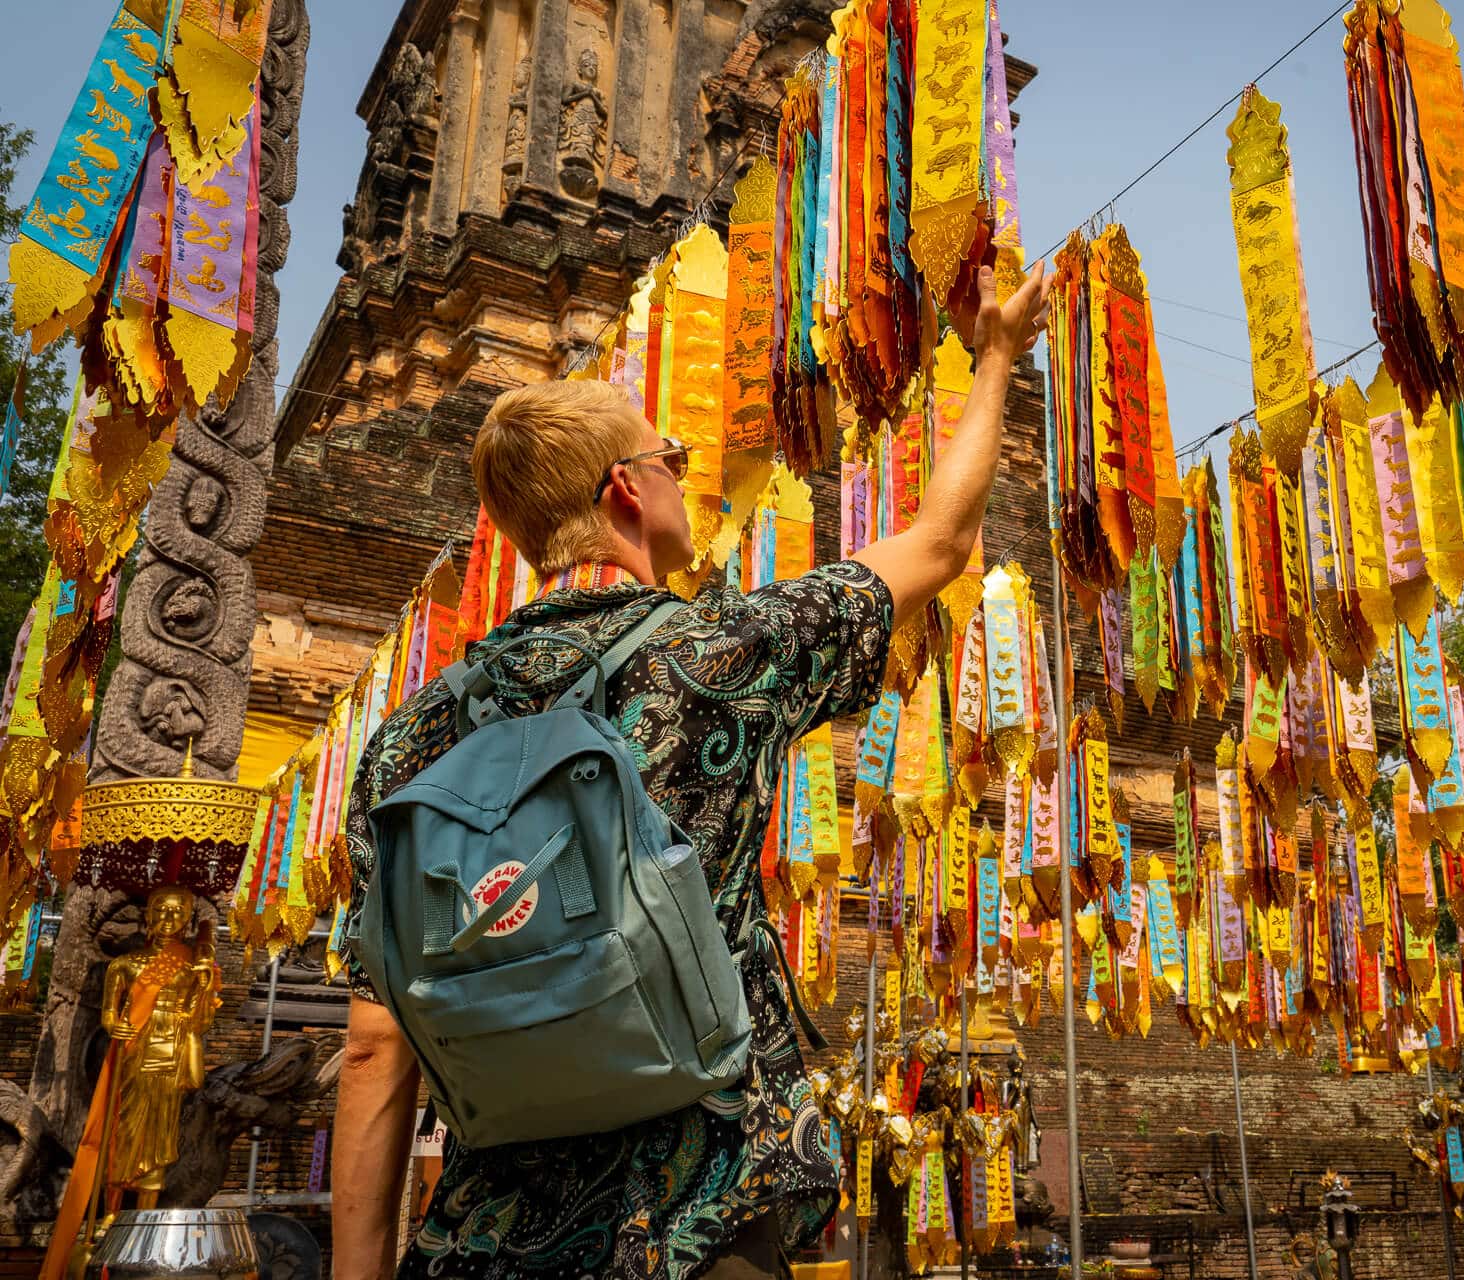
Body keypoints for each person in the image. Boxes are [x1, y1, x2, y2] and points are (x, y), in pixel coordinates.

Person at [332, 261, 1050, 1280]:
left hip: (489, 1232)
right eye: (667, 454)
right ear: (628, 487)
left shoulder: (407, 739)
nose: (682, 469)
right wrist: (993, 357)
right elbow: (942, 540)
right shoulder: (721, 654)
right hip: (695, 1210)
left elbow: (374, 1045)